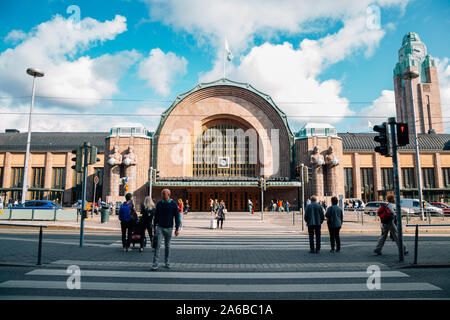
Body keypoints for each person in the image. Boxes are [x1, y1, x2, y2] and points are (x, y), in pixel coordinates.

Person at [152, 189, 181, 271]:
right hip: (160, 227)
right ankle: (155, 263)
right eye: (162, 193)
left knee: (167, 246)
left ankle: (167, 262)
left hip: (169, 228)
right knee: (157, 245)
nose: (162, 195)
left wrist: (177, 228)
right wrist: (154, 227)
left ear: (169, 194)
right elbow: (156, 216)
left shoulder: (173, 204)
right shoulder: (159, 204)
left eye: (164, 193)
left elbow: (177, 217)